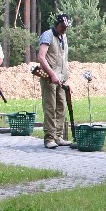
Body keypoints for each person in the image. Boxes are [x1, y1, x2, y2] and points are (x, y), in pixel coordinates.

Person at [37, 14, 71, 149]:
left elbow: (63, 58)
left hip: (61, 78)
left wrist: (65, 74)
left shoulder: (64, 36)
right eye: (62, 27)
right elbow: (41, 57)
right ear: (57, 24)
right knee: (50, 107)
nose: (64, 29)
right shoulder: (47, 35)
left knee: (61, 106)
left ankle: (58, 136)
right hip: (49, 78)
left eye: (66, 27)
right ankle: (49, 138)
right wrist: (52, 74)